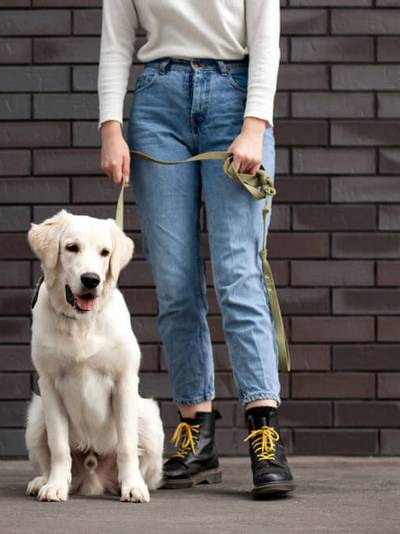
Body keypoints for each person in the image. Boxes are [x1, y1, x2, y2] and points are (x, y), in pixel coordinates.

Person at [97, 1, 294, 498]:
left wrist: (256, 124)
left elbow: (266, 35)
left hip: (234, 95)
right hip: (157, 104)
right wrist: (111, 126)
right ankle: (197, 434)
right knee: (175, 283)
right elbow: (117, 40)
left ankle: (263, 432)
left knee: (238, 277)